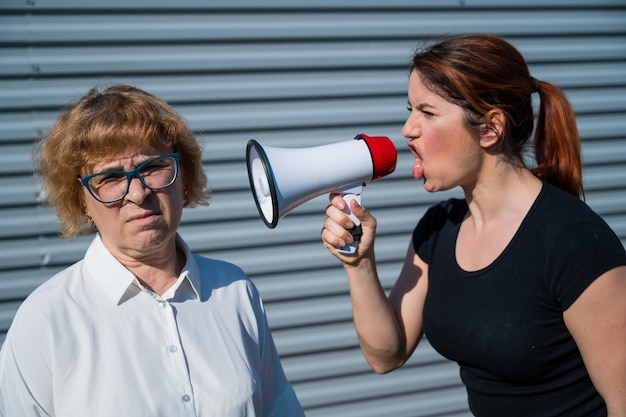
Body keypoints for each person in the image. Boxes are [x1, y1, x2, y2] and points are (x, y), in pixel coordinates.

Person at [321, 34, 626, 416]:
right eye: (410, 109)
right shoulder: (438, 228)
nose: (407, 129)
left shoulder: (576, 241)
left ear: (489, 129)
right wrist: (358, 263)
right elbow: (387, 354)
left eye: (427, 113)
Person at [0, 84, 304, 417]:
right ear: (81, 200)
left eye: (152, 167)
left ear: (183, 176)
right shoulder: (46, 319)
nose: (138, 192)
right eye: (111, 176)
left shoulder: (234, 290)